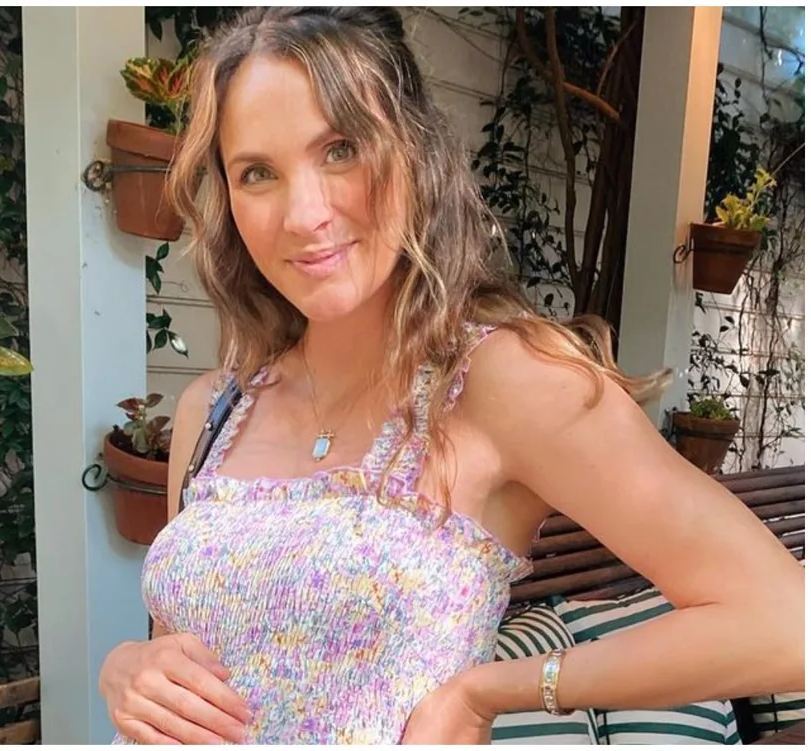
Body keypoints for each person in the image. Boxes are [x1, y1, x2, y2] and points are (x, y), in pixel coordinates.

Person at [99, 6, 804, 745]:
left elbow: (785, 623)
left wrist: (488, 691)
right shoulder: (212, 408)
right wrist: (125, 665)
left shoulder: (499, 381)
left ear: (416, 152)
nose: (304, 213)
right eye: (258, 172)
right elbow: (176, 652)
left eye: (340, 149)